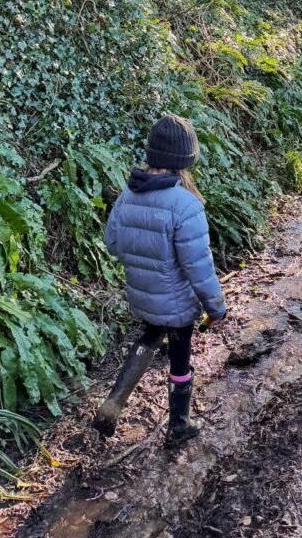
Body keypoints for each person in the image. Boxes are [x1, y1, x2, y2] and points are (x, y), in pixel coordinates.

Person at [92, 114, 227, 447]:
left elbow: (112, 243)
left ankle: (112, 403)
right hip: (178, 302)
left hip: (142, 295)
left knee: (151, 334)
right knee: (180, 358)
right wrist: (216, 306)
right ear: (185, 160)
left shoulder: (128, 195)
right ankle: (179, 424)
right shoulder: (185, 204)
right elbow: (198, 267)